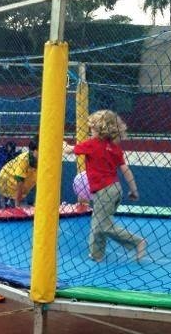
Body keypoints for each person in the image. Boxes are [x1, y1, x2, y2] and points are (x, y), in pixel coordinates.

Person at [63, 109, 147, 262]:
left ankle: (138, 241)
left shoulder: (92, 144)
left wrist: (62, 144)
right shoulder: (114, 148)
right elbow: (125, 170)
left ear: (98, 129)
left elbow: (69, 151)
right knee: (98, 223)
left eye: (91, 129)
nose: (90, 131)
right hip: (115, 189)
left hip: (104, 191)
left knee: (103, 225)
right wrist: (133, 190)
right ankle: (96, 255)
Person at [0, 137, 39, 208]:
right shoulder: (24, 160)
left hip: (20, 191)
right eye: (40, 150)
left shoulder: (42, 161)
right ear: (33, 151)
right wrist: (17, 204)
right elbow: (19, 183)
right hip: (5, 184)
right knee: (3, 212)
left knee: (22, 212)